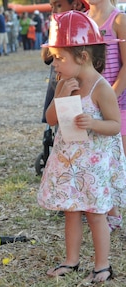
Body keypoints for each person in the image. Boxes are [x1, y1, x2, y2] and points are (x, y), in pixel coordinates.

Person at [38, 11, 126, 283]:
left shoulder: (101, 88)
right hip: (70, 162)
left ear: (83, 56)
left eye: (60, 57)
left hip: (94, 165)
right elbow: (51, 120)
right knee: (71, 212)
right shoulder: (65, 82)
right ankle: (71, 260)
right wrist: (60, 96)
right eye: (54, 57)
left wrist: (93, 123)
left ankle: (102, 265)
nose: (55, 64)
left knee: (96, 214)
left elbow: (114, 125)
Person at [87, 0, 126, 233]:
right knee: (99, 159)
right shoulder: (83, 19)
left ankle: (114, 211)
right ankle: (110, 213)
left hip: (118, 103)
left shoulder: (119, 20)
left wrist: (109, 96)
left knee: (117, 160)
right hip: (92, 103)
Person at [40, 0, 90, 124]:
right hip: (60, 84)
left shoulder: (85, 26)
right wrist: (54, 29)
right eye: (52, 7)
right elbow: (46, 57)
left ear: (76, 5)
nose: (53, 11)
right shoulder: (58, 25)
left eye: (58, 5)